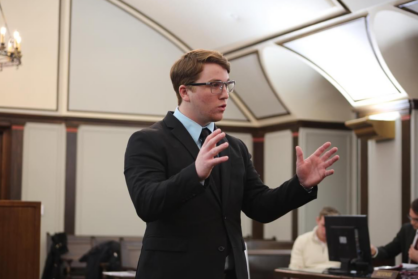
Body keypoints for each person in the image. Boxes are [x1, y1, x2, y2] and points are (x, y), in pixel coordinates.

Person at [124, 49, 339, 279]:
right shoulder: (148, 140)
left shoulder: (234, 147)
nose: (225, 94)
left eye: (227, 85)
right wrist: (195, 173)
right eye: (215, 85)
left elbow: (260, 206)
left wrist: (301, 184)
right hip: (174, 271)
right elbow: (146, 203)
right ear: (185, 91)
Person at [371, 198, 418, 263]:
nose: (412, 222)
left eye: (416, 219)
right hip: (406, 273)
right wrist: (375, 251)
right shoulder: (407, 230)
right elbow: (389, 251)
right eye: (410, 217)